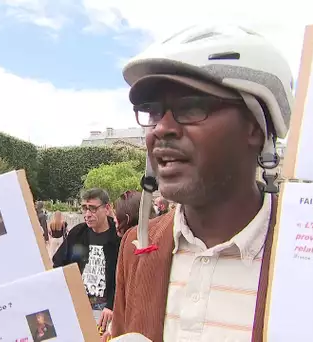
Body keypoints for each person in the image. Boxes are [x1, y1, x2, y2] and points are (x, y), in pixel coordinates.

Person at [111, 25, 294, 342]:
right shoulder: (136, 247)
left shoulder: (312, 253)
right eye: (152, 112)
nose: (162, 128)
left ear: (255, 127)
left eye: (191, 107)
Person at [52, 188, 120, 334]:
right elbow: (58, 263)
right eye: (84, 208)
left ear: (107, 208)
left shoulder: (118, 236)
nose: (87, 214)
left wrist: (112, 305)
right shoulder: (77, 233)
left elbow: (124, 276)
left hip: (105, 311)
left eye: (93, 209)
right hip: (78, 306)